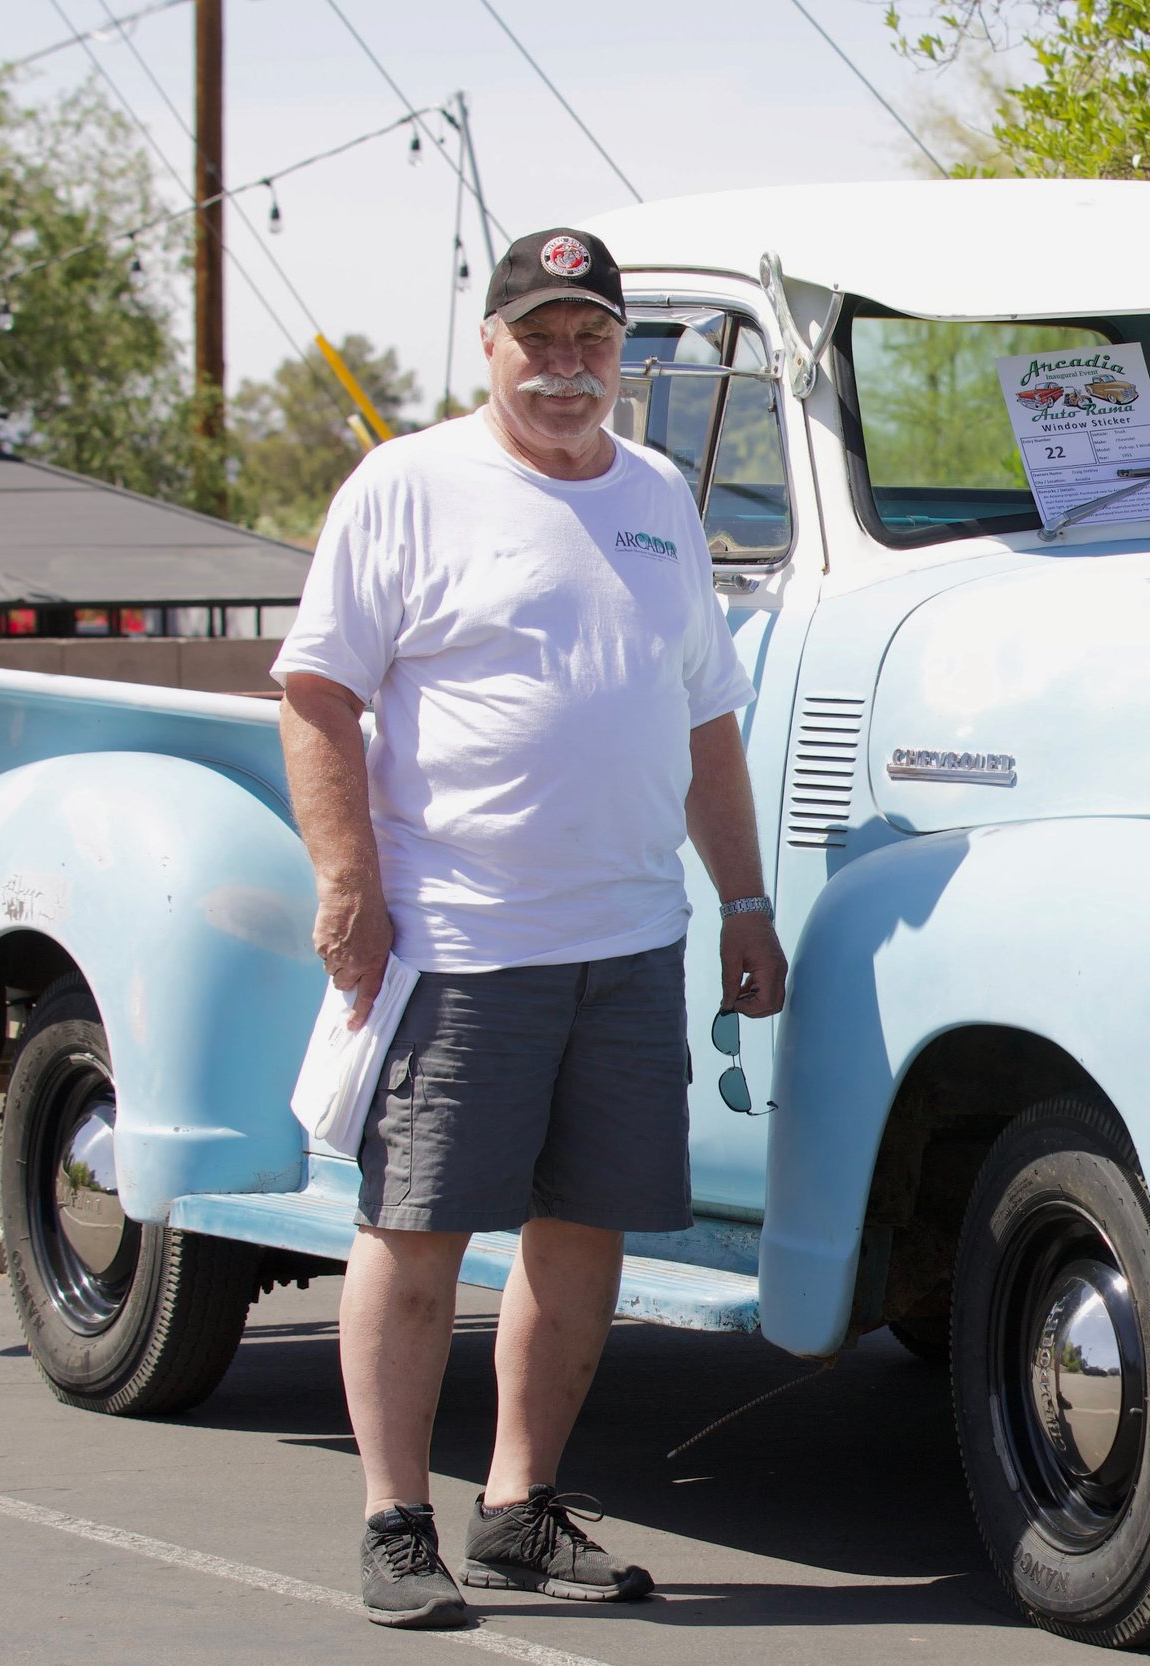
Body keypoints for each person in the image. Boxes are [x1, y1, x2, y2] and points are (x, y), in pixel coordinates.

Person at [274, 226, 788, 1629]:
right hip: (459, 939)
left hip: (628, 939)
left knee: (582, 1235)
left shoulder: (657, 494)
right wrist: (348, 882)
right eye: (539, 339)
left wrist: (742, 899)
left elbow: (706, 718)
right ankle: (395, 1518)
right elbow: (317, 695)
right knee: (418, 1226)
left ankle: (515, 1509)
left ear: (621, 352)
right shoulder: (408, 486)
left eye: (593, 341)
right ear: (490, 345)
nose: (567, 369)